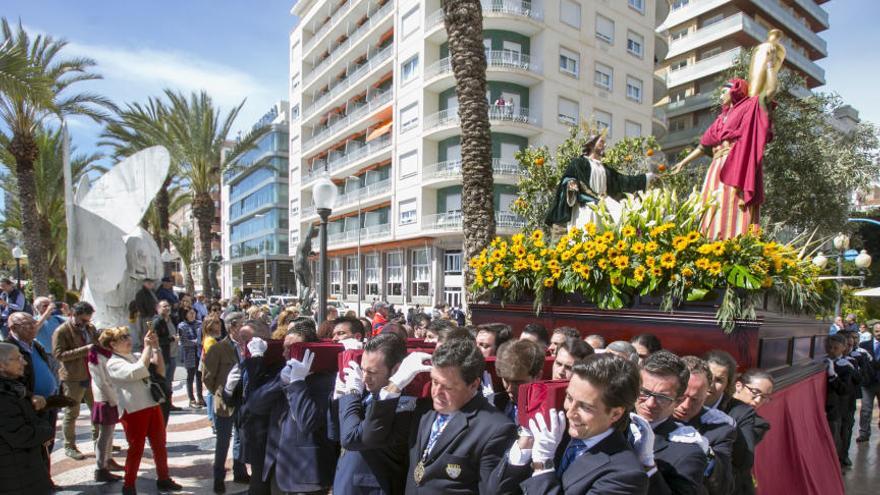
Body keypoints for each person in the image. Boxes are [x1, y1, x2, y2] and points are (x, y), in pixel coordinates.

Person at [363, 338, 517, 492]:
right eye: (435, 382)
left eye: (447, 387)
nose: (436, 393)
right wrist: (395, 385)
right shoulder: (423, 410)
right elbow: (371, 437)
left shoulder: (495, 429)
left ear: (473, 385)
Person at [670, 30, 784, 239]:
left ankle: (734, 245)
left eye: (724, 91)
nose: (721, 95)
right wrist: (683, 163)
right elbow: (703, 146)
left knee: (733, 205)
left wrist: (770, 65)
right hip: (716, 167)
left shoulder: (750, 106)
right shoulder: (720, 120)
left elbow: (771, 91)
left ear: (733, 92)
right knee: (711, 205)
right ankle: (709, 243)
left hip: (737, 165)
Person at [489, 353, 649, 495]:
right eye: (569, 398)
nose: (570, 412)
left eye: (586, 407)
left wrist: (543, 466)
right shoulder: (555, 434)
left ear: (615, 413)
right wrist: (525, 444)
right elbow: (494, 490)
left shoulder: (625, 475)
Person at [331, 333, 411, 495]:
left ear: (396, 369)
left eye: (372, 372)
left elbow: (353, 438)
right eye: (362, 370)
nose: (365, 378)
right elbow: (335, 433)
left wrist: (352, 394)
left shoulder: (404, 404)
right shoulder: (368, 394)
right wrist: (339, 397)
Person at [105, 326, 182, 494]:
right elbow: (138, 371)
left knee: (160, 444)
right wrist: (147, 347)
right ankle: (129, 484)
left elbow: (160, 369)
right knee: (136, 448)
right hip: (134, 410)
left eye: (127, 335)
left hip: (151, 405)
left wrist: (155, 347)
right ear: (112, 344)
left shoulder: (135, 356)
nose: (128, 339)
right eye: (122, 338)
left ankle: (163, 478)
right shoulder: (113, 363)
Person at [253, 339, 337, 493]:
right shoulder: (282, 372)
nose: (284, 353)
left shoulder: (325, 381)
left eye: (291, 349)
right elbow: (255, 405)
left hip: (304, 472)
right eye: (284, 348)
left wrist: (298, 382)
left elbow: (308, 422)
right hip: (277, 464)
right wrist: (280, 381)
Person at [545, 130, 653, 230]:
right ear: (591, 144)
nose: (604, 145)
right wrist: (571, 184)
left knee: (621, 217)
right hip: (586, 206)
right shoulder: (579, 163)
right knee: (588, 235)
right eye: (601, 142)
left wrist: (647, 177)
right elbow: (568, 178)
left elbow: (625, 181)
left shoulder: (605, 169)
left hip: (604, 204)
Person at [4, 311, 63, 489]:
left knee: (48, 444)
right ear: (13, 328)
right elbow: (13, 383)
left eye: (33, 322)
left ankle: (46, 478)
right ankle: (41, 481)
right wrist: (30, 397)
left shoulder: (35, 345)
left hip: (48, 402)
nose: (33, 327)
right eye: (27, 324)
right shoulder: (8, 349)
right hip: (31, 406)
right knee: (36, 446)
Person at [637, 351, 708, 495]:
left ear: (679, 401)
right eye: (644, 392)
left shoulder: (688, 453)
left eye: (662, 397)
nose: (650, 403)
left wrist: (648, 466)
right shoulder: (607, 421)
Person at [673, 356, 737, 495]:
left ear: (706, 395)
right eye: (681, 397)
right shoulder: (649, 411)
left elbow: (724, 486)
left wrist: (707, 454)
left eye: (695, 400)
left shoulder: (720, 429)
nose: (685, 406)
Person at [202, 312, 250, 492]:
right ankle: (218, 477)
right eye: (242, 324)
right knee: (223, 441)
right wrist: (221, 392)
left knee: (241, 437)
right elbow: (207, 377)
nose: (245, 328)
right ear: (232, 326)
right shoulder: (218, 348)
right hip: (225, 401)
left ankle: (240, 471)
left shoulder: (248, 346)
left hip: (244, 400)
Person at [0, 342, 54, 495]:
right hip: (16, 473)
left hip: (24, 467)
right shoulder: (3, 397)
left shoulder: (12, 388)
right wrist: (46, 430)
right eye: (17, 358)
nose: (24, 362)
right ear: (1, 365)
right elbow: (21, 435)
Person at [53, 301, 99, 460]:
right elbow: (59, 355)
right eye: (83, 320)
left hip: (91, 374)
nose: (86, 323)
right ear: (74, 314)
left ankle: (100, 441)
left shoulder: (90, 328)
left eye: (89, 320)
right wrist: (84, 350)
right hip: (73, 377)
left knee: (97, 410)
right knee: (72, 413)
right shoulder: (62, 331)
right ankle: (69, 446)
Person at [725, 369, 773, 495]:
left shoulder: (759, 424)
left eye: (764, 397)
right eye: (755, 392)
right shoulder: (717, 404)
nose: (758, 401)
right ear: (739, 386)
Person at [88, 329, 125, 482]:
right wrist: (113, 400)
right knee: (105, 434)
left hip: (112, 396)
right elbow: (101, 381)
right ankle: (100, 468)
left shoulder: (107, 353)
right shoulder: (95, 356)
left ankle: (108, 460)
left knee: (110, 434)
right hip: (105, 398)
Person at [824, 334, 859, 468]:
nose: (832, 350)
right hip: (830, 407)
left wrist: (833, 374)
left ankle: (837, 464)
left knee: (839, 436)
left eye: (836, 348)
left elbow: (844, 389)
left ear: (843, 348)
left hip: (839, 406)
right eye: (830, 347)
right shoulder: (827, 360)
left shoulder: (846, 365)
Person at [492, 339, 546, 424]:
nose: (509, 389)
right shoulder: (493, 403)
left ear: (537, 376)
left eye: (517, 383)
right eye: (506, 380)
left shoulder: (546, 412)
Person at [151, 300, 180, 407]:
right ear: (157, 308)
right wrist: (171, 339)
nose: (167, 308)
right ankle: (163, 404)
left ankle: (169, 403)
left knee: (169, 381)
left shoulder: (171, 319)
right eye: (164, 306)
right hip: (163, 356)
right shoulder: (156, 321)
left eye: (168, 306)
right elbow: (154, 338)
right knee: (163, 381)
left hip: (172, 355)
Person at [857, 322, 880, 443]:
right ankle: (864, 433)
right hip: (868, 383)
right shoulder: (864, 345)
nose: (879, 333)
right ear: (873, 332)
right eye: (877, 331)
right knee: (866, 410)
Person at [178, 307, 204, 408]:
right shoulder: (181, 326)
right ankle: (191, 399)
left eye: (193, 313)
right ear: (185, 315)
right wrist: (196, 342)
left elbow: (202, 337)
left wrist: (198, 343)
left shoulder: (200, 324)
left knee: (199, 376)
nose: (192, 315)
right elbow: (183, 341)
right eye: (190, 313)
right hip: (189, 353)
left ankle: (200, 397)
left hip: (198, 353)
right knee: (190, 376)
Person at [201, 315, 223, 430]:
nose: (219, 325)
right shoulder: (210, 341)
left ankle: (212, 419)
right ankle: (214, 422)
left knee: (211, 395)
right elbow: (213, 359)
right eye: (216, 323)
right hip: (213, 373)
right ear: (209, 326)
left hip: (212, 372)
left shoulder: (210, 339)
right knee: (213, 396)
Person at [133, 278, 159, 352]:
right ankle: (145, 348)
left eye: (152, 283)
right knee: (146, 333)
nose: (151, 285)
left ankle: (150, 347)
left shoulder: (151, 292)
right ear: (145, 284)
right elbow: (139, 305)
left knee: (151, 332)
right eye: (149, 283)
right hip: (147, 317)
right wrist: (145, 315)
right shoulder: (141, 293)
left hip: (152, 316)